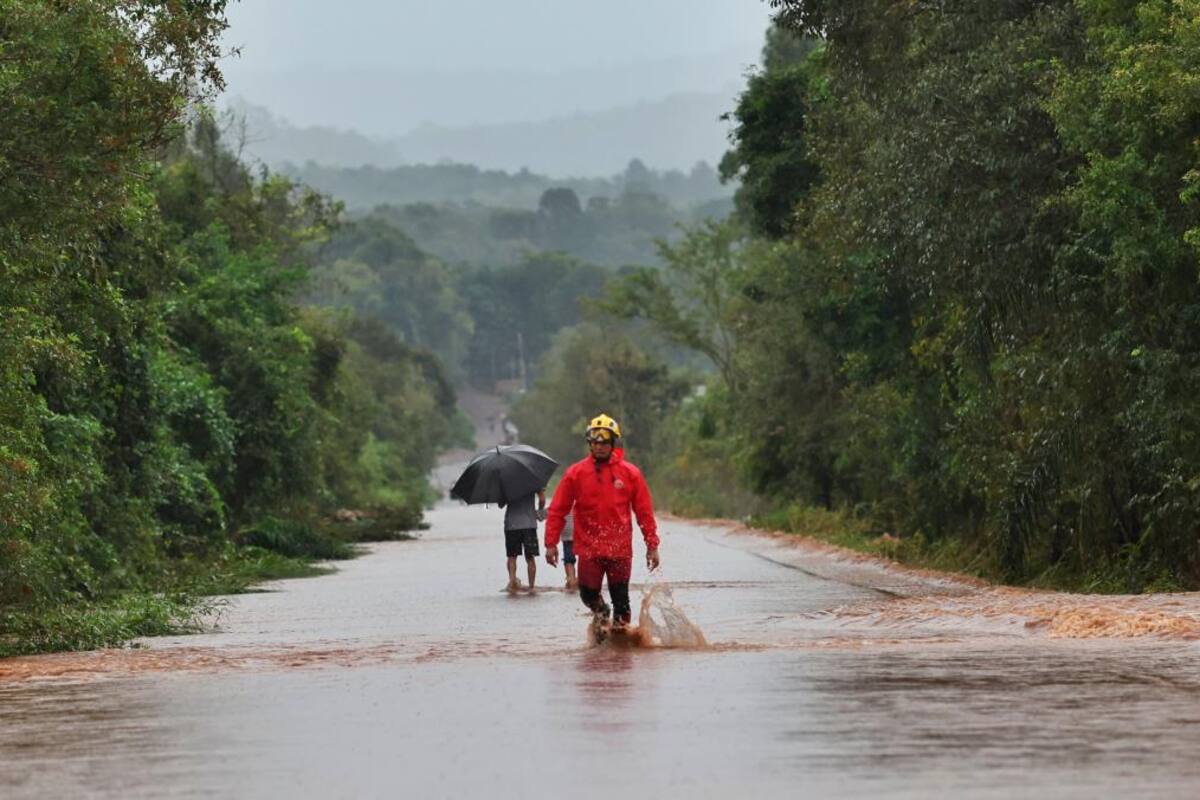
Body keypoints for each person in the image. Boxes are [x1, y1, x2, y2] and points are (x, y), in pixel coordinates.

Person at [545, 413, 659, 630]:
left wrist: (652, 545)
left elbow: (644, 513)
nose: (599, 446)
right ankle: (601, 612)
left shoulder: (630, 473)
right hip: (589, 549)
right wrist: (551, 544)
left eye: (604, 442)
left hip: (619, 550)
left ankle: (620, 649)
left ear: (613, 443)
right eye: (595, 442)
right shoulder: (575, 474)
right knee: (587, 593)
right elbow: (558, 510)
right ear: (589, 444)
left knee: (622, 602)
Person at [504, 488, 546, 593]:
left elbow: (501, 503)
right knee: (530, 557)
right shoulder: (532, 478)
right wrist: (539, 510)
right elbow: (542, 499)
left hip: (512, 525)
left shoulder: (506, 482)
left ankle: (512, 583)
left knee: (512, 557)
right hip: (529, 524)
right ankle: (531, 587)